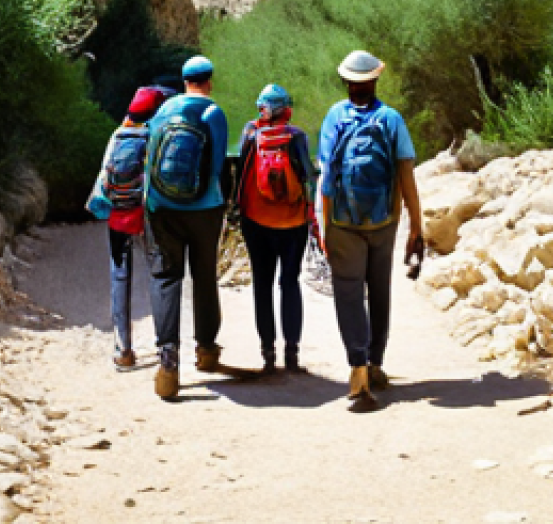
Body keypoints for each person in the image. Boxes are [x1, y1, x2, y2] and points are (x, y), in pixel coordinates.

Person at [317, 50, 424, 412]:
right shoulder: (391, 120)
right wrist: (416, 226)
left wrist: (325, 225)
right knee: (379, 292)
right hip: (384, 221)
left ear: (347, 82)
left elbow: (327, 178)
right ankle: (376, 363)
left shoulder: (334, 117)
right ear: (374, 80)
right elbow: (406, 175)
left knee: (348, 295)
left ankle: (358, 368)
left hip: (343, 222)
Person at [144, 55, 229, 401]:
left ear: (184, 81)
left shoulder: (162, 112)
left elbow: (150, 156)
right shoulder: (213, 113)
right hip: (204, 208)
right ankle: (206, 350)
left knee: (165, 277)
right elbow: (219, 164)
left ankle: (168, 361)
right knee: (204, 275)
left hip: (162, 207)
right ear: (208, 81)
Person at [86, 85, 173, 371]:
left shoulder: (119, 134)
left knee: (119, 278)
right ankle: (165, 348)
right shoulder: (155, 135)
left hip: (118, 216)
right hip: (146, 216)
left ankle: (123, 349)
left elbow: (103, 174)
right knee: (158, 276)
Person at [235, 84, 316, 374]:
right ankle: (292, 355)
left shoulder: (249, 133)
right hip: (292, 223)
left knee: (262, 284)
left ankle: (267, 354)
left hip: (256, 221)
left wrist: (237, 213)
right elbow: (308, 176)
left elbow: (241, 175)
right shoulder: (297, 136)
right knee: (290, 283)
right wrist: (313, 217)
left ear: (261, 108)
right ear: (287, 110)